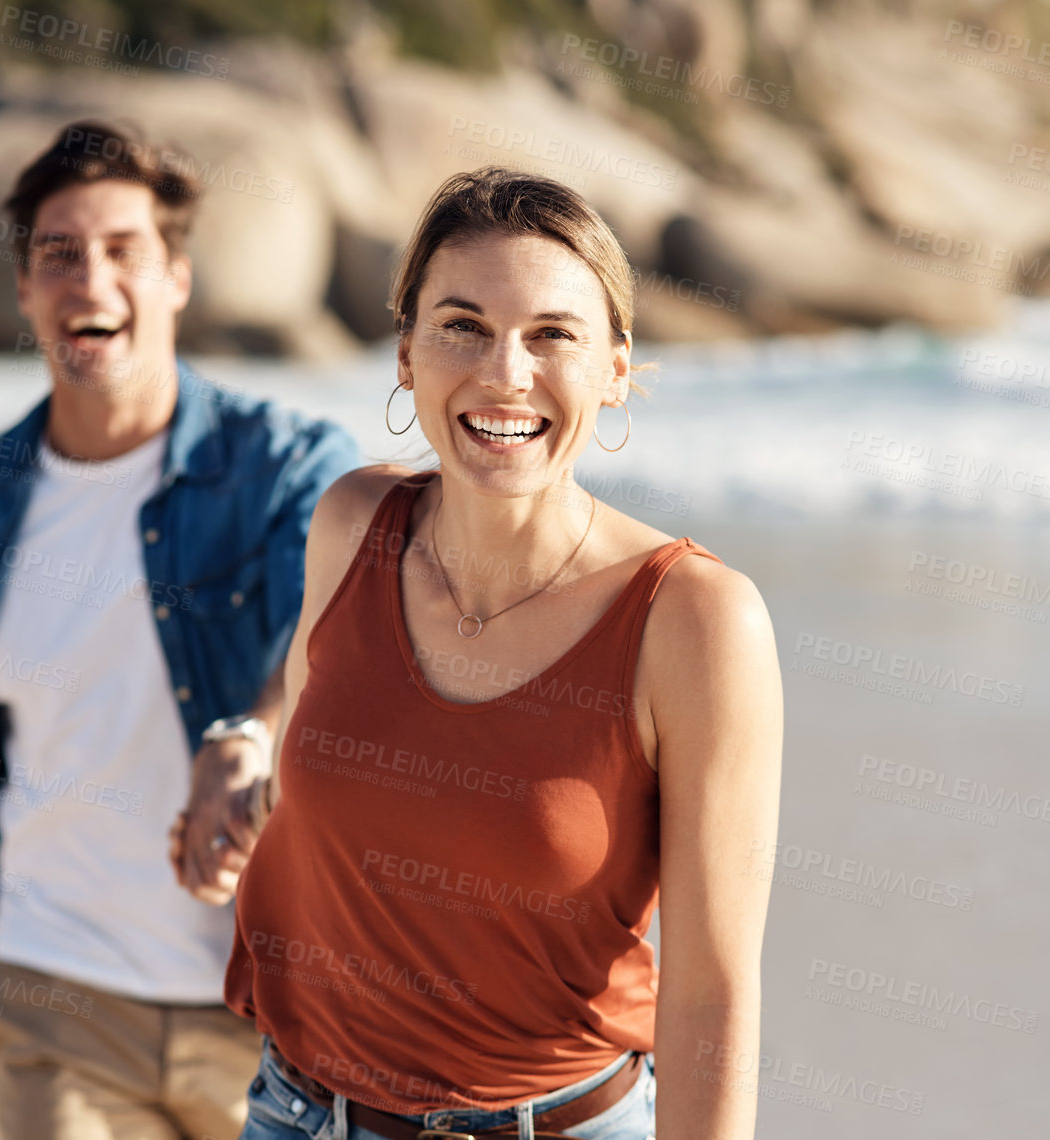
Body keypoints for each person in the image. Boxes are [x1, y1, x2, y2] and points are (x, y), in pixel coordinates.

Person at [180, 167, 783, 1140]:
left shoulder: (694, 621)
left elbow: (712, 994)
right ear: (406, 353)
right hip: (295, 1113)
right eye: (461, 325)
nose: (504, 373)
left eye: (552, 335)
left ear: (616, 367)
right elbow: (329, 757)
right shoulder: (350, 523)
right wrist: (240, 752)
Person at [0, 120, 361, 1140]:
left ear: (176, 277)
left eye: (122, 250)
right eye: (58, 254)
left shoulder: (285, 468)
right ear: (25, 290)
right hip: (59, 1002)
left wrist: (247, 735)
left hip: (270, 1015)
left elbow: (336, 621)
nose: (89, 277)